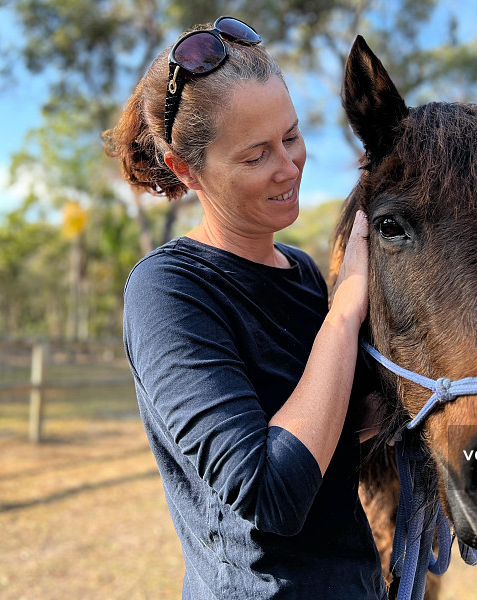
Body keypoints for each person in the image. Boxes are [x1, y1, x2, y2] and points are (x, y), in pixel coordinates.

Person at [103, 17, 384, 599]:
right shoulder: (168, 291)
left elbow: (340, 429)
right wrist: (343, 313)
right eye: (256, 155)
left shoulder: (302, 272)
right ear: (186, 170)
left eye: (292, 135)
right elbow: (272, 495)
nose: (289, 166)